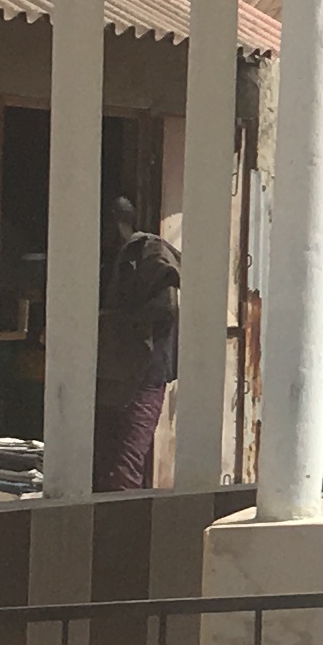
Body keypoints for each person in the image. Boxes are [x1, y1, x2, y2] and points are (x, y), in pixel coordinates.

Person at [92, 195, 184, 491]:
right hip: (115, 371)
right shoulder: (115, 257)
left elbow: (165, 309)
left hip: (145, 372)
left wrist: (108, 320)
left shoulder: (147, 250)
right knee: (105, 462)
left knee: (126, 466)